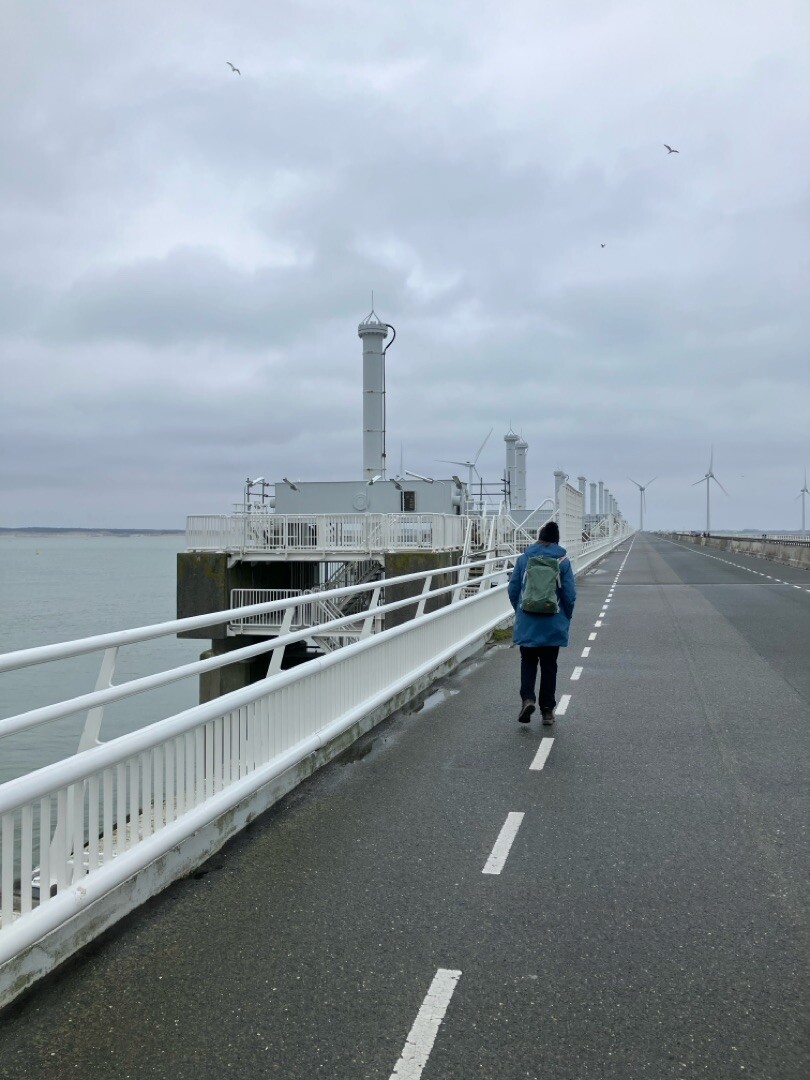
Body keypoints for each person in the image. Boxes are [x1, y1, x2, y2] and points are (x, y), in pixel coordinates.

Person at [507, 520, 576, 726]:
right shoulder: (563, 561)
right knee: (549, 665)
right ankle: (547, 711)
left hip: (528, 620)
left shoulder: (524, 559)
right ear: (556, 540)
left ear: (539, 538)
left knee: (527, 662)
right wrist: (566, 616)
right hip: (553, 621)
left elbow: (513, 589)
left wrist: (520, 611)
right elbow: (570, 595)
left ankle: (528, 699)